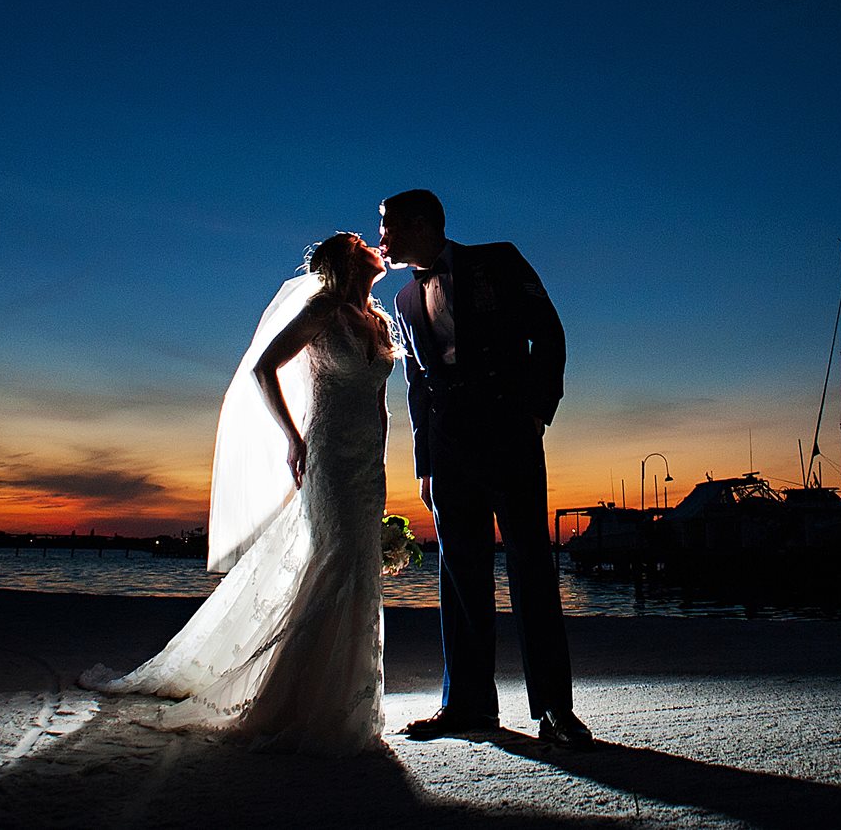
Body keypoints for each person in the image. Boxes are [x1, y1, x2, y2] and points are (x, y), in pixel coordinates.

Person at [81, 232, 395, 755]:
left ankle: (348, 693)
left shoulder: (379, 323)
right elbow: (263, 369)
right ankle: (295, 696)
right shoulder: (323, 311)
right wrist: (293, 438)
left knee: (361, 565)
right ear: (345, 261)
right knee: (337, 558)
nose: (372, 245)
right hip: (327, 453)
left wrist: (380, 461)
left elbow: (381, 404)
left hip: (367, 465)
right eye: (360, 242)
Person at [378, 189, 591, 747]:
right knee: (460, 577)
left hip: (509, 433)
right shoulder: (404, 298)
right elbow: (417, 385)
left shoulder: (498, 260)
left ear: (420, 223)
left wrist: (536, 412)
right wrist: (425, 463)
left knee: (531, 569)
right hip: (448, 449)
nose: (382, 239)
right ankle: (468, 705)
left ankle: (554, 710)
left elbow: (548, 331)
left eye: (388, 226)